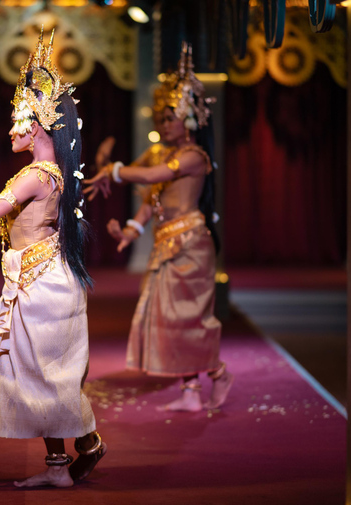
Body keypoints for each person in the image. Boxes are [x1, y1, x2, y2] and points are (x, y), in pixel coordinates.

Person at [0, 31, 105, 487]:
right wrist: (0, 234)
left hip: (42, 286)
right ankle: (57, 469)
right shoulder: (49, 175)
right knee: (35, 373)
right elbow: (32, 224)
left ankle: (88, 444)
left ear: (39, 126)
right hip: (38, 279)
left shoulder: (36, 174)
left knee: (44, 375)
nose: (12, 129)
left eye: (18, 120)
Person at [84, 44, 234, 413]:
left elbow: (152, 176)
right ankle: (190, 392)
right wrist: (132, 229)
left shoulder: (193, 157)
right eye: (159, 118)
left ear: (191, 120)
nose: (162, 124)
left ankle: (217, 372)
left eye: (170, 118)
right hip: (165, 243)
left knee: (188, 317)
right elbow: (152, 196)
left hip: (190, 243)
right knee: (168, 318)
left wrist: (114, 170)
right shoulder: (160, 153)